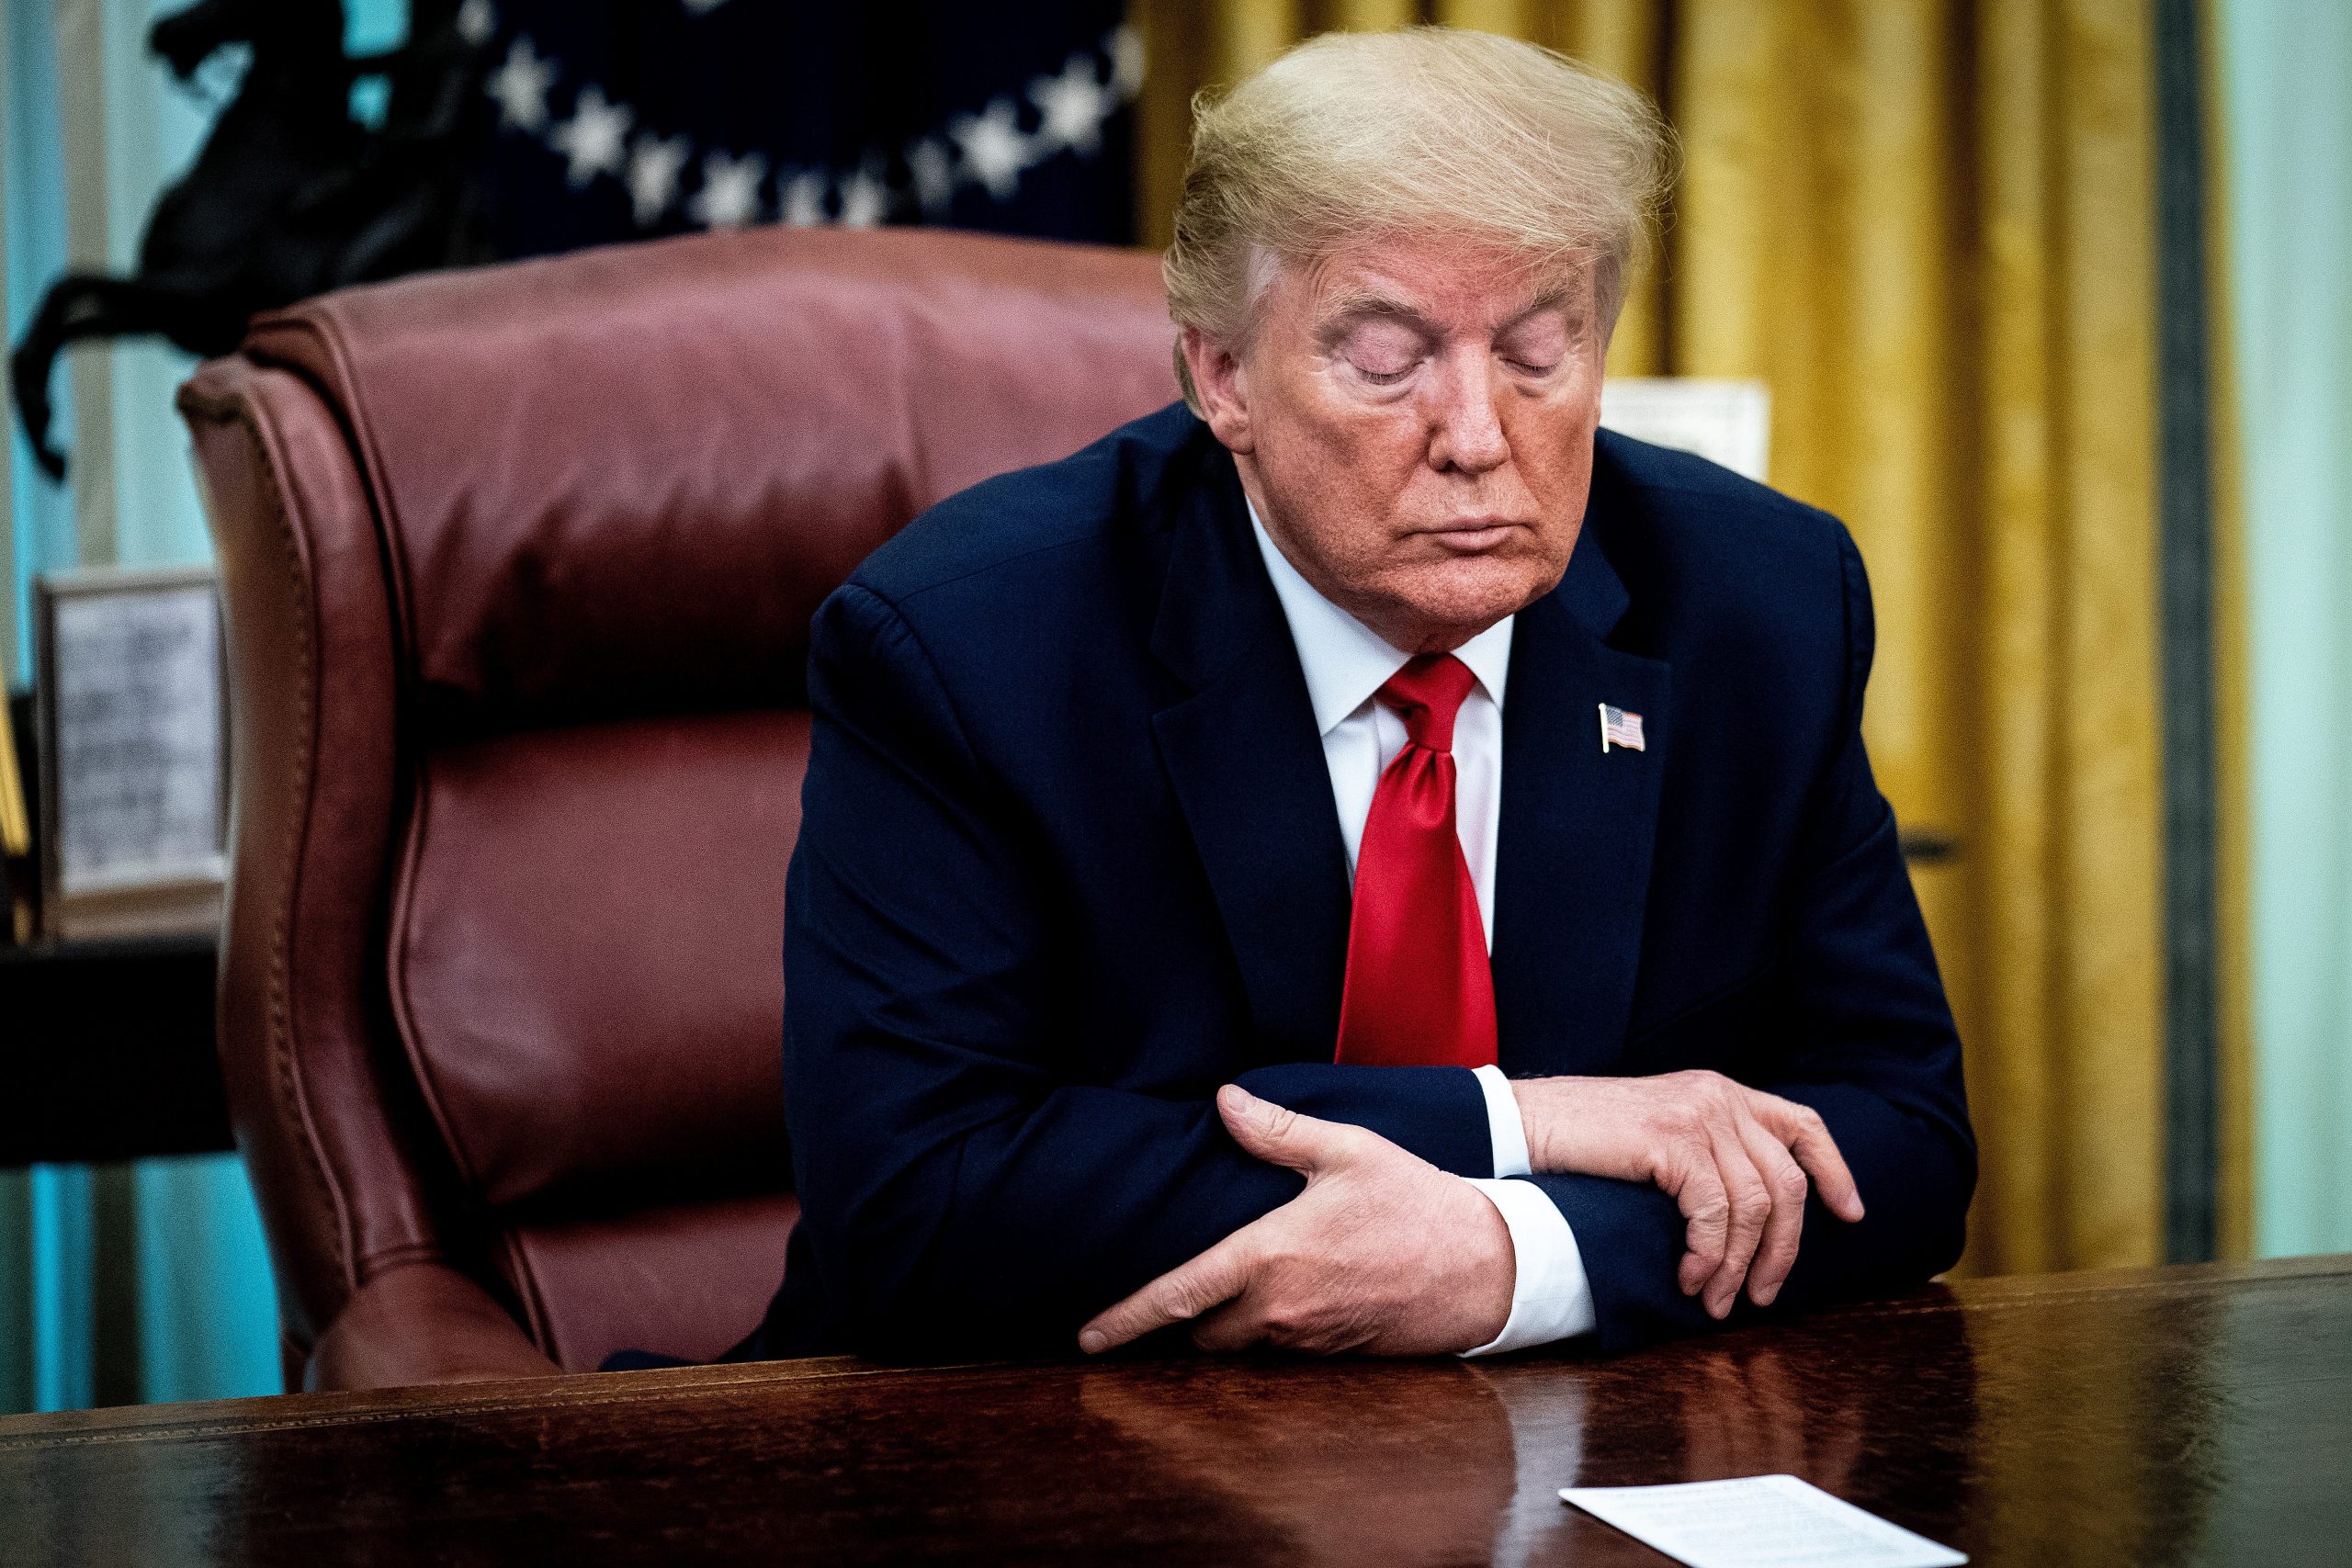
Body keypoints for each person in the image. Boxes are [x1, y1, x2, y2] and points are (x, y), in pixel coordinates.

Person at [755, 27, 1973, 1362]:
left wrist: (1520, 1260)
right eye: (1387, 360)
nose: (1475, 435)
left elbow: (1900, 1144)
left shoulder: (1761, 602)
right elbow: (917, 1199)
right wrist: (1530, 1126)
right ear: (1223, 377)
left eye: (1538, 350)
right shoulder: (969, 645)